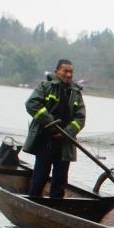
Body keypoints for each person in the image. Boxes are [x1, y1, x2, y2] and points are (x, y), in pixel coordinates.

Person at [23, 59, 86, 198]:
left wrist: (67, 132)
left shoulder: (76, 93)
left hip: (65, 143)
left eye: (71, 72)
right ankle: (33, 201)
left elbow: (80, 119)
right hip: (45, 141)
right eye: (65, 71)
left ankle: (56, 207)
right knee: (39, 177)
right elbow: (31, 104)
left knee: (60, 181)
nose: (69, 75)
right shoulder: (46, 86)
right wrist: (51, 123)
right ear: (57, 71)